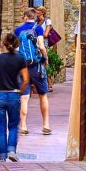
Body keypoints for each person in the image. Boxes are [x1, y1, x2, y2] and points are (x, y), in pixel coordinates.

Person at [0, 32, 31, 162]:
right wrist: (20, 91)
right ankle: (11, 150)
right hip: (13, 94)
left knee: (0, 128)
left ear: (4, 44)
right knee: (13, 125)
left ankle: (2, 157)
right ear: (16, 44)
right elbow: (26, 80)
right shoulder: (20, 59)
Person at [18, 7, 58, 137]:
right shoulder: (38, 28)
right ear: (35, 18)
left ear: (25, 17)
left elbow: (15, 48)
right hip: (36, 66)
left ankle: (23, 125)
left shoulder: (18, 30)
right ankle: (46, 124)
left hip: (22, 67)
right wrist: (45, 59)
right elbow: (41, 46)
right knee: (42, 95)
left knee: (24, 97)